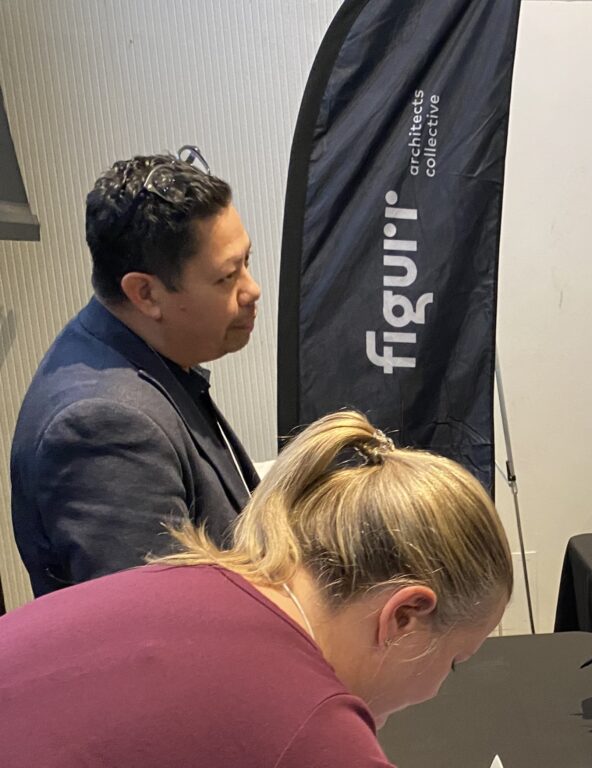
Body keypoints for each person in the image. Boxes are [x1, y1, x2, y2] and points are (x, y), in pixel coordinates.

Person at [0, 410, 512, 767]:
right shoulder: (310, 727)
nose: (439, 689)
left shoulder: (182, 576)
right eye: (454, 661)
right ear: (404, 615)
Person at [10, 146, 262, 596]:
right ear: (145, 294)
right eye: (227, 277)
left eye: (247, 261)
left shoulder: (138, 353)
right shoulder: (102, 427)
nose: (252, 289)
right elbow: (160, 626)